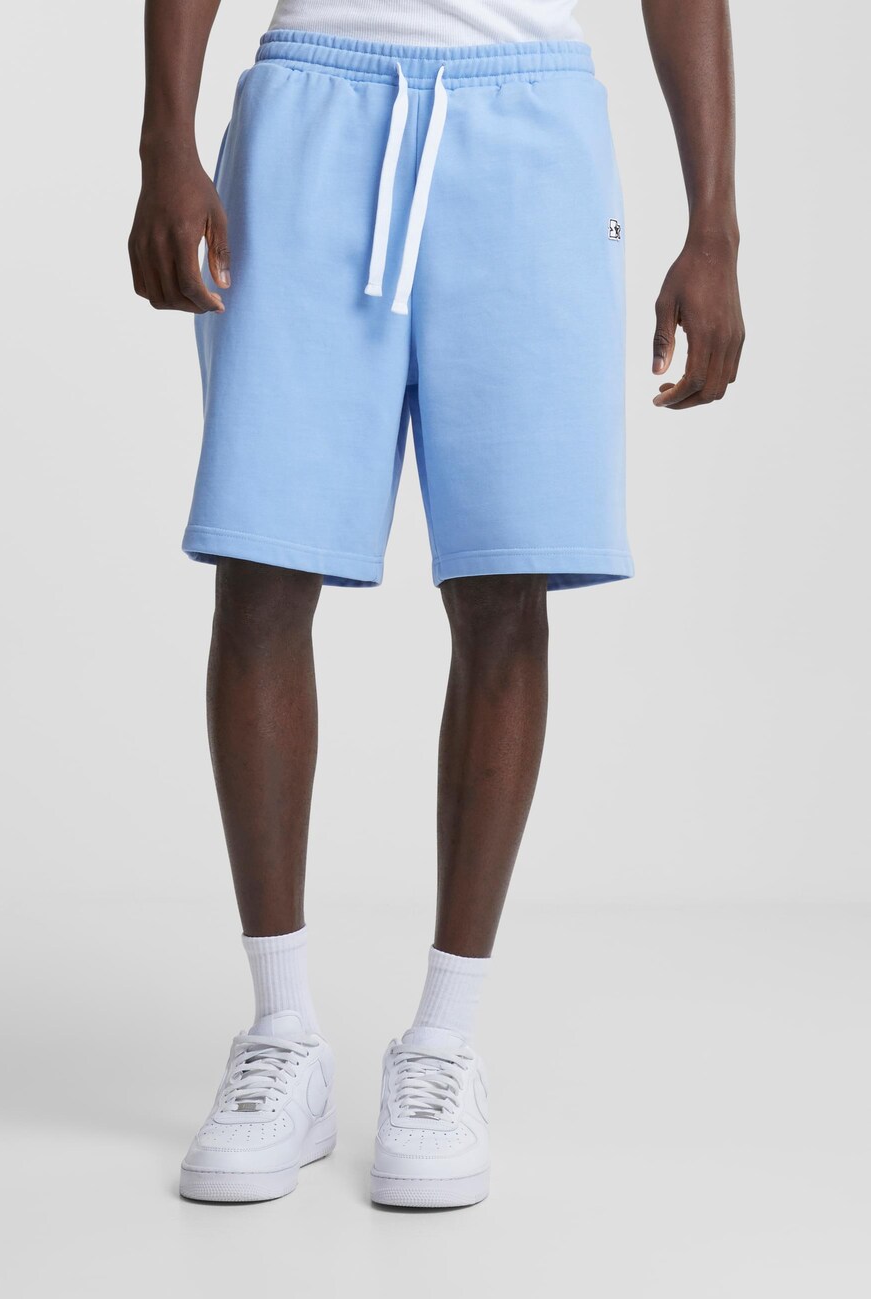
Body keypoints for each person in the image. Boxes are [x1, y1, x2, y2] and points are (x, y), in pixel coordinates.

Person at [129, 0, 744, 1208]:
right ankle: (282, 1032)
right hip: (310, 107)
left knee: (506, 586)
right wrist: (166, 139)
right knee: (262, 567)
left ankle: (444, 1042)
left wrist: (714, 227)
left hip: (530, 120)